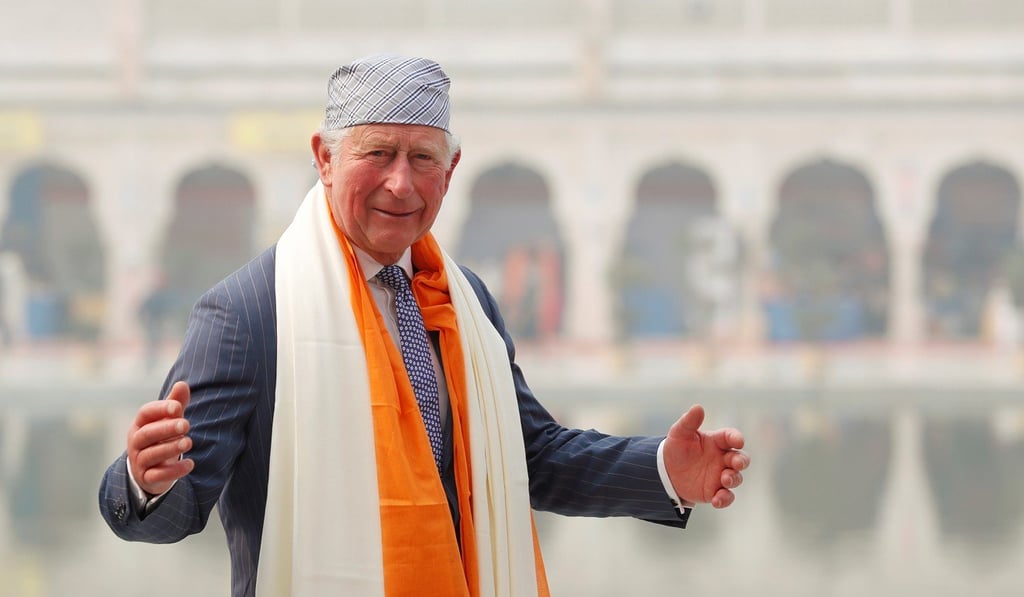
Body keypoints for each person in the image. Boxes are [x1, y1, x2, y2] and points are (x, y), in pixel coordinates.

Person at [98, 54, 750, 597]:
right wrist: (146, 481)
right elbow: (171, 515)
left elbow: (531, 458)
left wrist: (664, 469)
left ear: (452, 169)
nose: (401, 183)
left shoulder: (464, 300)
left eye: (423, 158)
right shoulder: (250, 311)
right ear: (324, 157)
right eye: (377, 153)